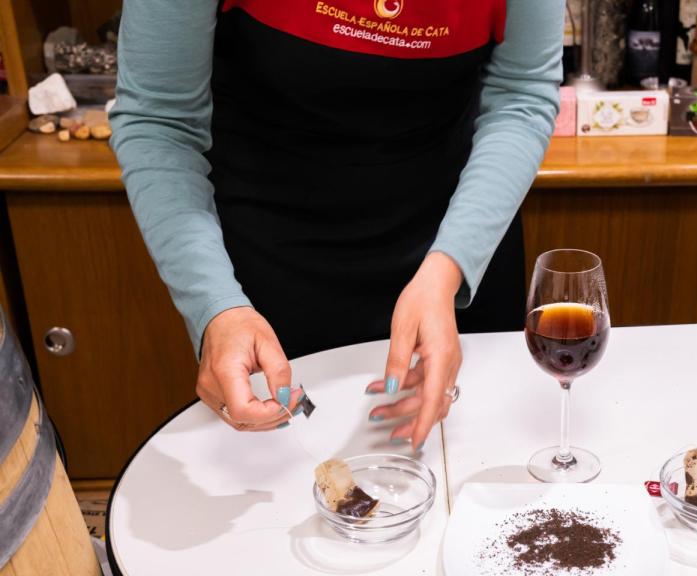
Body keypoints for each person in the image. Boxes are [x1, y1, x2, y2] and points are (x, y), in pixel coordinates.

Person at [110, 0, 562, 450]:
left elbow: (521, 94)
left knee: (466, 474)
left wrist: (447, 270)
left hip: (454, 242)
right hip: (268, 259)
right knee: (282, 487)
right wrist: (216, 305)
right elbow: (159, 122)